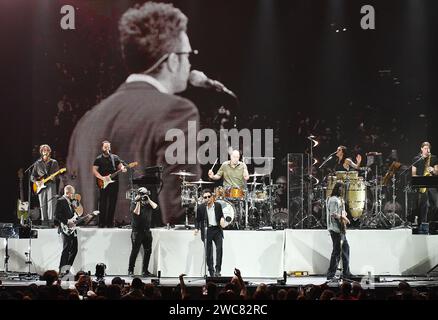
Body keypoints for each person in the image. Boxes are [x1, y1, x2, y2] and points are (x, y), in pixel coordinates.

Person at [66, 2, 200, 226]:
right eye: (188, 54)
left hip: (89, 257)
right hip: (149, 256)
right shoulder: (178, 112)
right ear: (173, 60)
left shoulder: (87, 121)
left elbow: (72, 199)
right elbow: (180, 212)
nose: (190, 61)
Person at [92, 141, 126, 228]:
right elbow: (94, 170)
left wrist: (123, 168)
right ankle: (102, 222)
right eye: (105, 147)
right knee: (103, 202)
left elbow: (120, 166)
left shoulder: (115, 157)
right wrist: (102, 178)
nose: (107, 148)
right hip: (103, 182)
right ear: (102, 148)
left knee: (113, 202)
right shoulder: (98, 159)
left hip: (114, 183)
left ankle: (110, 222)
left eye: (108, 147)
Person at [128, 187, 158, 277]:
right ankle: (130, 270)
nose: (143, 196)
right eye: (141, 194)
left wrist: (148, 199)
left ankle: (145, 271)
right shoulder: (133, 203)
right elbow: (136, 212)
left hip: (147, 231)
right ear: (138, 194)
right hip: (137, 232)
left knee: (148, 251)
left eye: (145, 194)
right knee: (135, 251)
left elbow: (156, 207)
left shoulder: (148, 203)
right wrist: (137, 201)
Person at [194, 189, 225, 277]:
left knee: (219, 249)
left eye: (209, 196)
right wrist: (197, 228)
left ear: (212, 197)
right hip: (207, 230)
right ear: (203, 198)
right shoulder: (201, 207)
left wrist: (222, 219)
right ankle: (211, 271)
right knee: (209, 252)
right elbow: (197, 220)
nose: (207, 198)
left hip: (217, 230)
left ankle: (218, 270)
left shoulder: (218, 205)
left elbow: (221, 215)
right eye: (205, 197)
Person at [326, 182, 352, 280]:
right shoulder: (333, 200)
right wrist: (345, 218)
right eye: (341, 189)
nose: (342, 191)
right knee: (337, 252)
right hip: (335, 229)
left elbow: (340, 212)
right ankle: (331, 274)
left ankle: (346, 274)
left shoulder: (339, 200)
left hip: (340, 229)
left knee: (345, 250)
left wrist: (344, 214)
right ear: (337, 189)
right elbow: (333, 214)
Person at [31, 144, 60, 226]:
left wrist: (53, 177)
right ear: (41, 152)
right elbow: (32, 176)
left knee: (51, 204)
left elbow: (57, 175)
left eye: (47, 150)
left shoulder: (54, 162)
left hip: (51, 184)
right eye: (44, 150)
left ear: (49, 152)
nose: (45, 151)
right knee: (42, 204)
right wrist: (36, 182)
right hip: (40, 186)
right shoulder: (37, 163)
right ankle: (44, 223)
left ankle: (51, 222)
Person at [412, 142, 438, 225]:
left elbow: (437, 172)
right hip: (421, 185)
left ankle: (432, 222)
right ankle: (422, 223)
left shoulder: (433, 158)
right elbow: (413, 173)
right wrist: (419, 179)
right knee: (423, 205)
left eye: (428, 148)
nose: (427, 150)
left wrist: (433, 170)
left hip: (431, 184)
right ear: (421, 149)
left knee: (436, 205)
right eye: (426, 148)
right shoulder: (416, 159)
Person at [54, 185, 78, 274]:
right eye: (72, 193)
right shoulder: (61, 201)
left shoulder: (70, 202)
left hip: (72, 229)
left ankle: (66, 269)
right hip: (65, 229)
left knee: (74, 249)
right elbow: (56, 215)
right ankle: (61, 270)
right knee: (66, 249)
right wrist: (67, 221)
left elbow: (73, 215)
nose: (73, 195)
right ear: (67, 193)